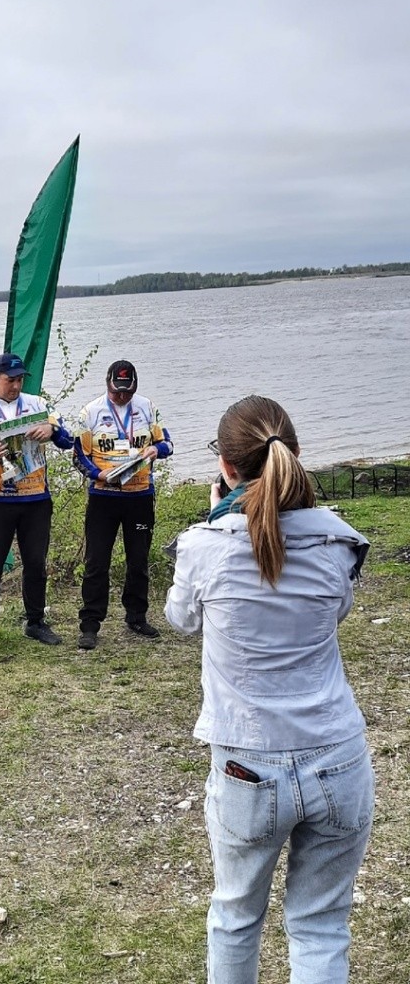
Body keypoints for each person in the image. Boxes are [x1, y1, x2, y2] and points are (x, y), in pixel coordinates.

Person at [165, 395, 374, 984]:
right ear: (297, 456)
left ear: (227, 468)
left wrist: (216, 520)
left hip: (246, 764)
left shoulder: (203, 546)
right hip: (338, 754)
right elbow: (336, 611)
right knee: (321, 925)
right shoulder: (339, 545)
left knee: (235, 917)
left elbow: (181, 618)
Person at [0, 352, 73, 646]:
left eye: (19, 379)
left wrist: (52, 430)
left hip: (36, 497)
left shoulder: (38, 405)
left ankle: (35, 621)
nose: (15, 385)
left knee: (35, 562)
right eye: (9, 380)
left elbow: (68, 441)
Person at [73, 360, 173, 650]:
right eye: (117, 391)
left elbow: (168, 443)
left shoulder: (147, 407)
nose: (122, 397)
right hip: (104, 496)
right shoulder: (90, 412)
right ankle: (90, 624)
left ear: (135, 387)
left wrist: (157, 449)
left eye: (127, 391)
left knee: (139, 560)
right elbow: (79, 456)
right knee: (96, 562)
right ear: (107, 384)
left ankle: (136, 616)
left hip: (140, 495)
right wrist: (97, 474)